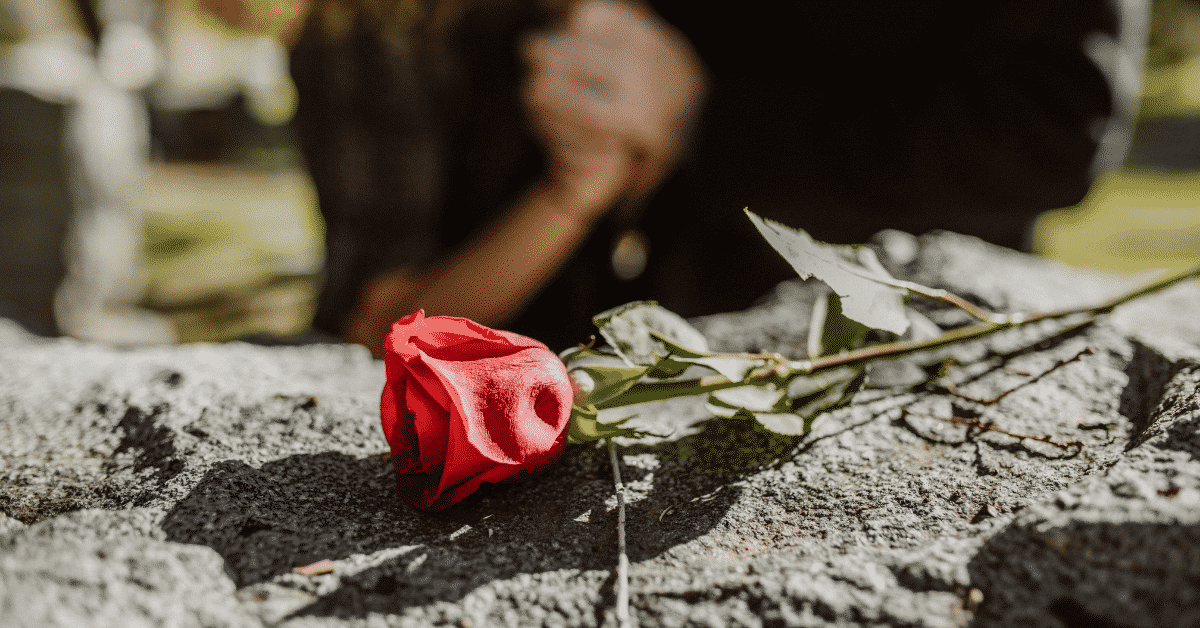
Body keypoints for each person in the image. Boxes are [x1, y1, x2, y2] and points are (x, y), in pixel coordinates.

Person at [207, 0, 1149, 354]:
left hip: (917, 321)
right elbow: (387, 315)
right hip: (632, 350)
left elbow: (1055, 130)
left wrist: (692, 118)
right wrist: (585, 183)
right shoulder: (360, 40)